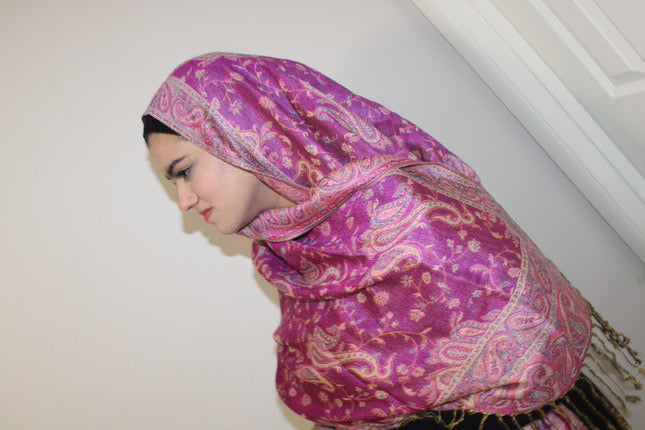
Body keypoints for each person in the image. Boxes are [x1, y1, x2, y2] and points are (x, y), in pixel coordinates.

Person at [142, 53, 642, 430]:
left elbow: (524, 332)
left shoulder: (407, 209)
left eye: (184, 171)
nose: (184, 200)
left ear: (239, 131)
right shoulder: (290, 251)